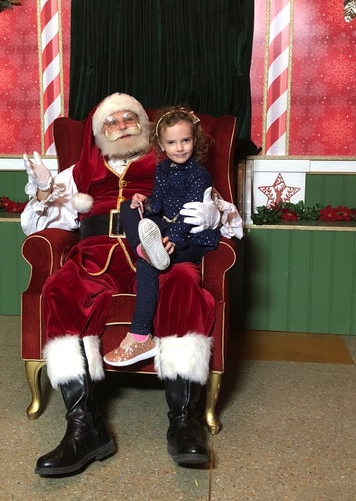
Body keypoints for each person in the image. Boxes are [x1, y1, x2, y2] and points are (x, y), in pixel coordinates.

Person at [21, 92, 240, 477]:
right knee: (60, 288)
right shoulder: (81, 169)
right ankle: (84, 429)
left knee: (186, 280)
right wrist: (42, 190)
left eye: (129, 118)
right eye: (112, 121)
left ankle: (184, 422)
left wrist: (214, 212)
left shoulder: (169, 159)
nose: (121, 126)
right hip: (95, 253)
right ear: (99, 132)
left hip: (156, 254)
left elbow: (213, 204)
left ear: (144, 125)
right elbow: (45, 218)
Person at [103, 106, 222, 368]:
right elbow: (158, 203)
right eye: (172, 142)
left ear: (195, 141)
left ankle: (139, 336)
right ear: (162, 145)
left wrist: (173, 241)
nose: (179, 148)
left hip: (192, 237)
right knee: (127, 207)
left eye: (186, 140)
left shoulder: (198, 174)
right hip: (166, 229)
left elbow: (190, 217)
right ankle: (144, 248)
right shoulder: (163, 169)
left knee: (148, 265)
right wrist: (143, 203)